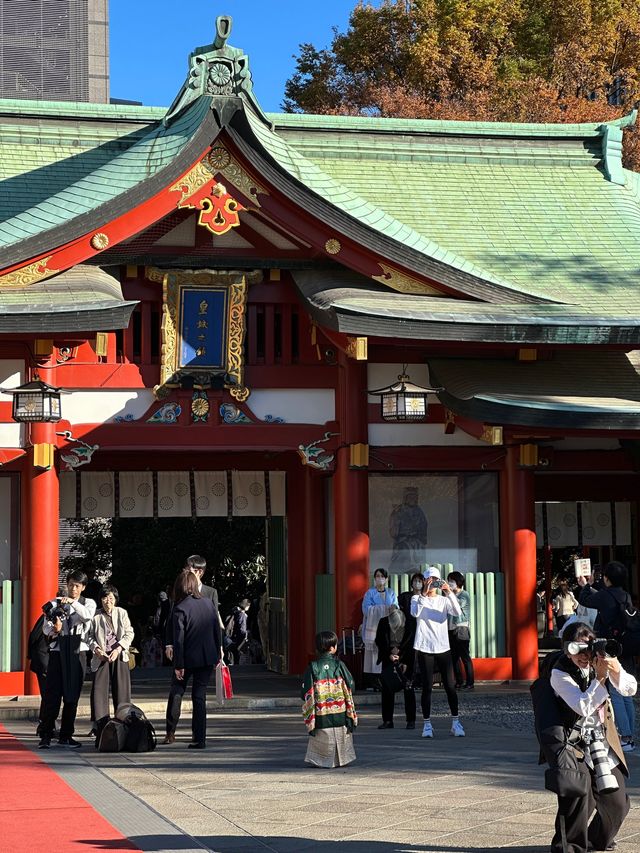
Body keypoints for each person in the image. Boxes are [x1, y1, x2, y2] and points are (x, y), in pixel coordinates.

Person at [541, 620, 636, 853]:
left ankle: (596, 840)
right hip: (573, 741)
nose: (583, 656)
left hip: (601, 739)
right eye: (576, 650)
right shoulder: (558, 672)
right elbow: (582, 706)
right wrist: (600, 679)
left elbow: (630, 688)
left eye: (587, 649)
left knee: (617, 801)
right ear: (566, 650)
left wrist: (614, 670)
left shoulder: (600, 660)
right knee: (578, 794)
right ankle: (569, 847)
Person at [578, 561, 637, 752]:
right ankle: (630, 735)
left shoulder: (605, 596)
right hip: (626, 648)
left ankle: (626, 737)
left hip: (610, 648)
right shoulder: (625, 595)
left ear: (606, 578)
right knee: (626, 691)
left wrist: (586, 584)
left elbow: (585, 599)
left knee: (616, 693)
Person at [38, 569, 97, 749]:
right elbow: (45, 629)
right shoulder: (54, 603)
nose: (73, 589)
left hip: (77, 652)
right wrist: (54, 629)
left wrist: (72, 602)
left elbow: (87, 616)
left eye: (77, 586)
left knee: (72, 696)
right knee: (52, 695)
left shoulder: (88, 603)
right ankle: (46, 734)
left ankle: (66, 735)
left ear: (83, 587)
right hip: (57, 652)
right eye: (70, 585)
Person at [163, 571, 222, 748]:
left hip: (187, 658)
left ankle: (170, 731)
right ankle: (200, 738)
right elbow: (216, 630)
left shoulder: (180, 608)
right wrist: (218, 654)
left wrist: (178, 665)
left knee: (177, 691)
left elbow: (179, 640)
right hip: (207, 656)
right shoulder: (208, 603)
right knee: (199, 697)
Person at [411, 566, 465, 738]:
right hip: (425, 646)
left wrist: (449, 592)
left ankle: (456, 722)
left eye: (435, 580)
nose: (433, 583)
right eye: (430, 580)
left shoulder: (443, 600)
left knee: (450, 685)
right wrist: (424, 593)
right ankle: (427, 724)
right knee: (427, 686)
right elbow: (415, 612)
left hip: (443, 646)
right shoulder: (416, 598)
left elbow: (457, 612)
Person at [301, 630, 357, 768]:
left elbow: (305, 691)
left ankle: (320, 760)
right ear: (333, 648)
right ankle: (342, 759)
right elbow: (351, 685)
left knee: (322, 735)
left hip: (321, 711)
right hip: (339, 709)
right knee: (341, 732)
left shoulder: (312, 667)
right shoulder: (339, 665)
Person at [89, 584, 134, 745]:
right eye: (105, 598)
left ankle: (125, 723)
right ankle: (100, 726)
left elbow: (129, 632)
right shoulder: (95, 616)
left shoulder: (122, 613)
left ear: (115, 600)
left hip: (119, 655)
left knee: (122, 690)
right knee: (98, 691)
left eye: (111, 598)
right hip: (101, 657)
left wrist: (119, 648)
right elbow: (89, 637)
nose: (108, 601)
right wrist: (96, 649)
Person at [375, 604, 416, 729]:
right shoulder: (383, 622)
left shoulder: (410, 624)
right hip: (389, 656)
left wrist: (402, 658)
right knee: (387, 690)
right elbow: (379, 641)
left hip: (405, 658)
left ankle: (411, 720)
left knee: (408, 688)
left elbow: (411, 644)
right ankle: (387, 720)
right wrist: (389, 655)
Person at [361, 568, 398, 681]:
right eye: (377, 576)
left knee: (386, 649)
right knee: (374, 653)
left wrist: (392, 609)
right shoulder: (369, 593)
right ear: (374, 578)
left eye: (382, 576)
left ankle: (386, 677)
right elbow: (366, 609)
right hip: (373, 627)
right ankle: (374, 680)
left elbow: (396, 608)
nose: (380, 578)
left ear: (386, 579)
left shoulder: (391, 592)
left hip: (387, 627)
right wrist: (384, 609)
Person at [388, 485, 428, 573]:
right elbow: (393, 530)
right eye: (410, 496)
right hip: (402, 540)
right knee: (404, 553)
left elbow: (424, 525)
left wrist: (420, 538)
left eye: (414, 497)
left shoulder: (419, 511)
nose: (412, 499)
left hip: (417, 540)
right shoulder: (399, 510)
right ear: (405, 498)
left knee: (419, 552)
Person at [447, 571, 475, 690]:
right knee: (454, 658)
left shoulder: (464, 595)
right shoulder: (449, 595)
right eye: (449, 581)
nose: (450, 583)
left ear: (458, 582)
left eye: (452, 581)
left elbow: (457, 605)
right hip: (450, 628)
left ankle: (470, 682)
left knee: (464, 657)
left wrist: (448, 593)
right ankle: (459, 681)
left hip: (462, 628)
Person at [226, 599, 251, 665]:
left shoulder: (235, 612)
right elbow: (242, 629)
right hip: (239, 640)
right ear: (246, 606)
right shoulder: (242, 615)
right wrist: (246, 635)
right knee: (238, 658)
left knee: (232, 657)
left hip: (232, 638)